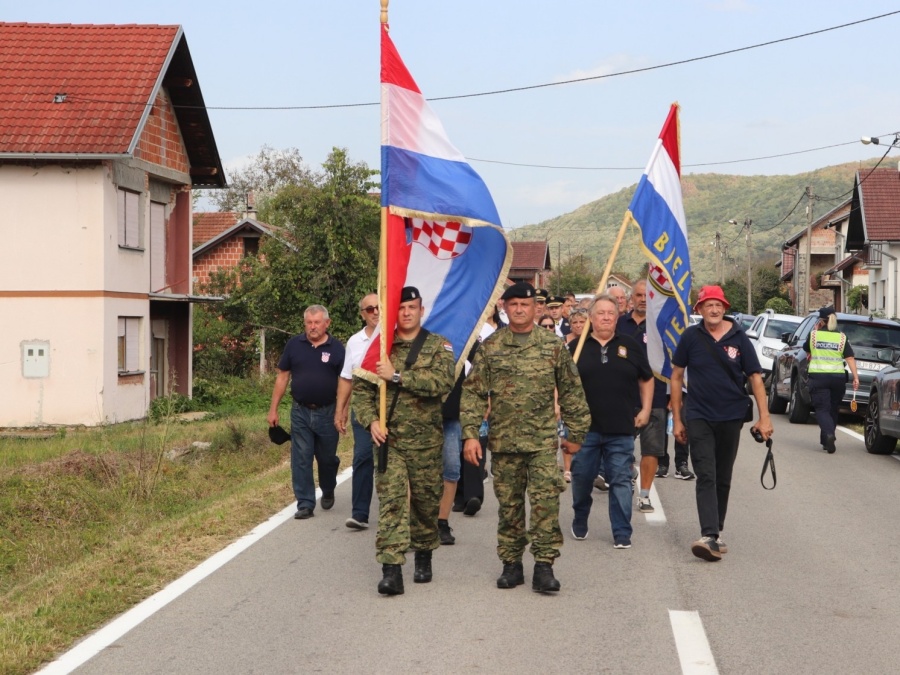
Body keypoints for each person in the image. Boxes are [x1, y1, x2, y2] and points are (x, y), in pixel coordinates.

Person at [461, 282, 590, 593]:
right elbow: (473, 393)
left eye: (525, 304)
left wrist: (577, 433)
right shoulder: (490, 347)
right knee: (509, 506)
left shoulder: (552, 346)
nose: (519, 309)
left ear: (536, 309)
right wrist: (470, 435)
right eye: (513, 304)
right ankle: (512, 564)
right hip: (505, 444)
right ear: (504, 307)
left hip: (543, 442)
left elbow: (572, 391)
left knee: (546, 504)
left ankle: (544, 566)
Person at [352, 287, 455, 595]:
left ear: (422, 311)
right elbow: (362, 390)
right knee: (392, 504)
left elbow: (442, 383)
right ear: (393, 313)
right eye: (402, 308)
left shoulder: (438, 346)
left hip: (426, 441)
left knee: (425, 503)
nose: (407, 312)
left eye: (412, 307)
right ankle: (391, 569)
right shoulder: (381, 347)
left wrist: (397, 376)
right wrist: (371, 420)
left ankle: (424, 553)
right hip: (390, 441)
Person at [670, 285, 773, 562]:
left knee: (723, 476)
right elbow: (677, 376)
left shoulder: (740, 337)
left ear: (725, 308)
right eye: (708, 305)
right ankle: (709, 535)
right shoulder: (691, 336)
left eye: (718, 305)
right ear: (700, 309)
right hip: (699, 415)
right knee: (706, 473)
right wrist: (677, 418)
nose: (713, 310)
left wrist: (764, 417)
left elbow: (755, 378)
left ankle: (716, 530)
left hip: (731, 416)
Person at [569, 295, 653, 547]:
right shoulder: (576, 347)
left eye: (610, 313)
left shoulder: (630, 345)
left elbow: (646, 378)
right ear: (591, 318)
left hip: (621, 428)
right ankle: (580, 517)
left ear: (617, 317)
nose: (605, 317)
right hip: (585, 429)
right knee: (582, 477)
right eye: (600, 313)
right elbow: (560, 382)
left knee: (620, 480)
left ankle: (621, 532)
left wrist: (646, 409)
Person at [268, 305, 345, 520]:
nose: (312, 327)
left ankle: (328, 487)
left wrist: (342, 411)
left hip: (328, 412)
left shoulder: (337, 348)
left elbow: (345, 382)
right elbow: (283, 377)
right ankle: (305, 503)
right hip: (300, 411)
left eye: (317, 322)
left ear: (327, 323)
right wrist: (273, 409)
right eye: (309, 323)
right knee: (300, 458)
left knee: (327, 459)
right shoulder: (294, 345)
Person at [616, 279, 680, 511]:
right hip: (622, 397)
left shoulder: (662, 326)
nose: (643, 299)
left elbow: (676, 363)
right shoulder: (618, 323)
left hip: (656, 397)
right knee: (619, 448)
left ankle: (644, 494)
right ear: (631, 298)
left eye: (648, 296)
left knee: (651, 449)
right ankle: (626, 477)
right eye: (639, 295)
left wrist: (675, 397)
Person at [335, 293, 380, 530]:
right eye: (369, 309)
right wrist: (340, 410)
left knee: (392, 461)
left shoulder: (395, 336)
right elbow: (346, 378)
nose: (374, 312)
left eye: (378, 307)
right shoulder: (354, 342)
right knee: (363, 457)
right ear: (362, 314)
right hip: (363, 408)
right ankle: (360, 513)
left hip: (392, 408)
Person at [805, 306, 859, 454]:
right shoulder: (841, 337)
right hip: (838, 378)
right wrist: (856, 377)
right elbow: (849, 357)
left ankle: (829, 434)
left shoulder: (814, 335)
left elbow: (806, 349)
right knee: (832, 408)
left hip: (819, 377)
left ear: (821, 321)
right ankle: (826, 442)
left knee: (822, 409)